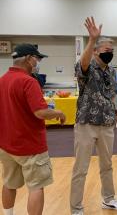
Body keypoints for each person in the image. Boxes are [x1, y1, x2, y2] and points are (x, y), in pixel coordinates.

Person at [70, 17, 117, 214]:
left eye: (112, 51)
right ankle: (76, 208)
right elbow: (83, 63)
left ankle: (109, 199)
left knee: (107, 165)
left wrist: (116, 114)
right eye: (106, 51)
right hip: (86, 123)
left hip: (106, 124)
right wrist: (92, 40)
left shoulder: (111, 72)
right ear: (95, 50)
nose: (109, 54)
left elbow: (110, 94)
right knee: (81, 169)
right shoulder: (86, 66)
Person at [0, 43, 66, 215]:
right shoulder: (28, 81)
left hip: (7, 145)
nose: (37, 62)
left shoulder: (3, 80)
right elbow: (41, 112)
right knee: (36, 187)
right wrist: (59, 112)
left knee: (8, 183)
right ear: (29, 59)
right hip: (30, 146)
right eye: (37, 58)